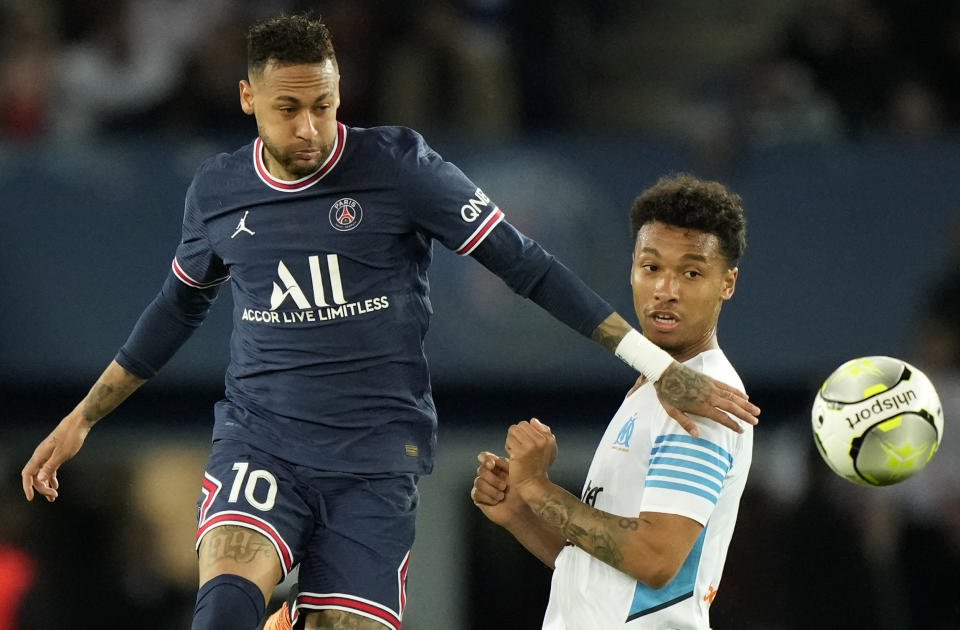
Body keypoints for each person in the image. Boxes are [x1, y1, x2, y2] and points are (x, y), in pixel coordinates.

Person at [20, 14, 758, 630]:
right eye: (288, 109)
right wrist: (84, 416)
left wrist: (655, 365)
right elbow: (178, 306)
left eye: (325, 105)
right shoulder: (217, 193)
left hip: (375, 461)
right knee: (224, 607)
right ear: (248, 98)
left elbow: (524, 264)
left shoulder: (400, 167)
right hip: (265, 439)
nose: (310, 127)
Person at [472, 174, 753, 629]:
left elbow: (655, 559)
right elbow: (597, 572)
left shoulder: (704, 397)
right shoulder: (653, 386)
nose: (667, 289)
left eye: (692, 272)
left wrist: (540, 491)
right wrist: (522, 513)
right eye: (651, 267)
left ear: (728, 283)